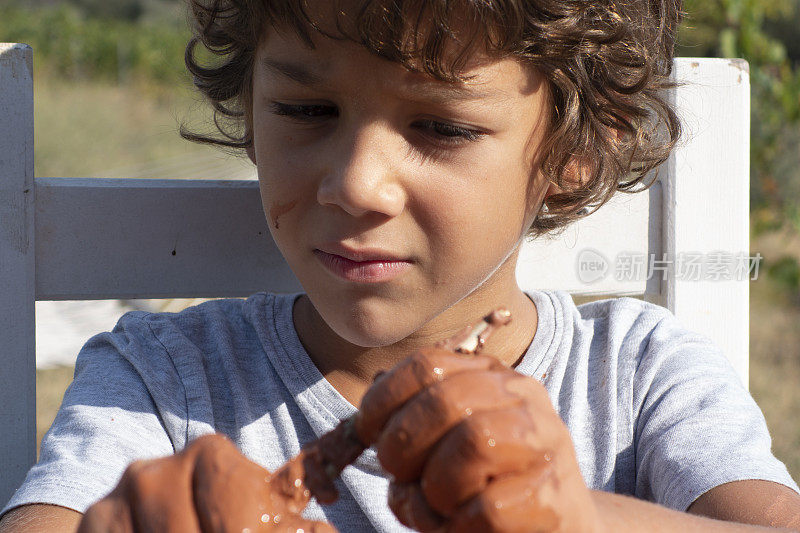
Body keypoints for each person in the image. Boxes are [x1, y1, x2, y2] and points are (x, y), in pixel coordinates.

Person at [2, 0, 800, 531]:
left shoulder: (635, 376)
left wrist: (583, 518)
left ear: (579, 150)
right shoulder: (162, 380)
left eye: (441, 126)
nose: (355, 183)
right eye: (308, 111)